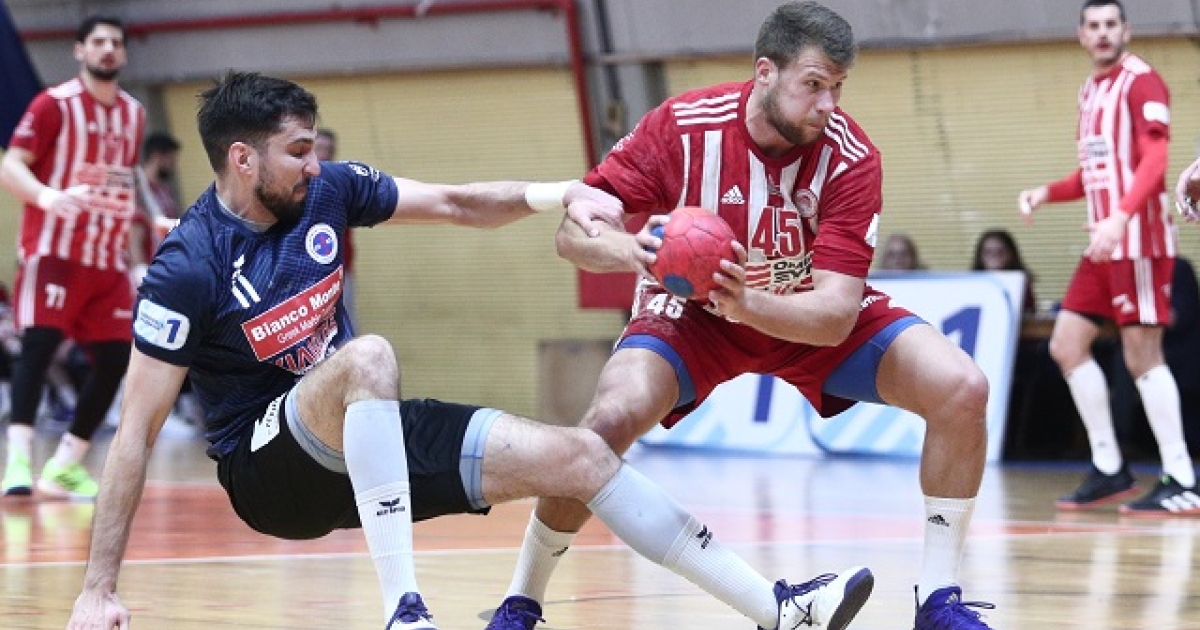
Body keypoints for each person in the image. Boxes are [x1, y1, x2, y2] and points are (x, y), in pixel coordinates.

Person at [63, 71, 873, 630]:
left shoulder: (330, 191)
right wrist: (97, 590)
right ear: (243, 159)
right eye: (298, 150)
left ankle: (778, 611)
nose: (316, 163)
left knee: (584, 458)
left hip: (365, 442)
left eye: (315, 149)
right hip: (269, 469)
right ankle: (405, 610)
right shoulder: (189, 264)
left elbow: (454, 203)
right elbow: (134, 432)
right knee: (370, 356)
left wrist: (561, 193)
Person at [492, 3, 997, 630]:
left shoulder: (851, 156)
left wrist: (749, 301)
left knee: (962, 388)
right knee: (606, 423)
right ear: (765, 72)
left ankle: (939, 600)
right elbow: (573, 235)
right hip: (694, 314)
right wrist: (633, 251)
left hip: (799, 310)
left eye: (838, 87)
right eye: (814, 84)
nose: (828, 104)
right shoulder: (682, 126)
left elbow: (837, 315)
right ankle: (522, 599)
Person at [1016, 0, 1199, 515]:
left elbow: (1156, 157)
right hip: (1102, 242)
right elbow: (1095, 173)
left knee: (1143, 355)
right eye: (1093, 26)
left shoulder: (1142, 81)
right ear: (1081, 35)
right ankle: (1108, 467)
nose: (1102, 33)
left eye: (1110, 25)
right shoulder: (1090, 90)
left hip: (1138, 238)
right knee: (1065, 345)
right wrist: (1046, 192)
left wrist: (1119, 217)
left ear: (1126, 31)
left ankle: (1182, 477)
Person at [0, 15, 144, 500]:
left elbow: (125, 185)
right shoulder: (53, 104)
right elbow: (11, 165)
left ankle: (65, 465)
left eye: (116, 42)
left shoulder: (134, 114)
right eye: (98, 41)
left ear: (123, 53)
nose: (108, 49)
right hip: (54, 251)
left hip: (107, 260)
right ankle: (18, 460)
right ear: (80, 50)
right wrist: (46, 197)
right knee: (39, 346)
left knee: (116, 358)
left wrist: (137, 252)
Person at [314, 128, 359, 324]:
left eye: (329, 149)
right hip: (309, 272)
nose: (324, 153)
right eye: (319, 148)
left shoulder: (342, 183)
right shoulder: (296, 185)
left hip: (340, 269)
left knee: (345, 323)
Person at [970, 228, 1037, 315]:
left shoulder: (1021, 284)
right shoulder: (971, 285)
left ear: (1011, 254)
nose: (994, 256)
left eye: (1000, 251)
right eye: (988, 252)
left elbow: (1030, 314)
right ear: (980, 256)